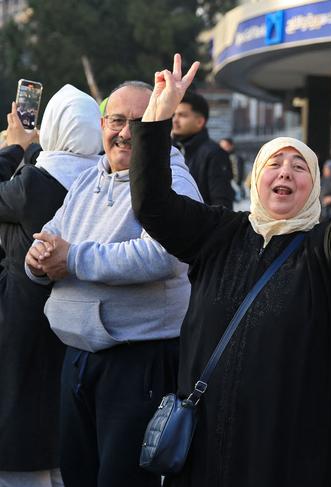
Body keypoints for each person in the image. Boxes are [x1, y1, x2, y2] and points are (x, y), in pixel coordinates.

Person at [128, 54, 331, 487]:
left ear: (313, 185)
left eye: (299, 167)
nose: (285, 173)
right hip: (202, 448)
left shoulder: (323, 251)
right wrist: (157, 122)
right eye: (274, 165)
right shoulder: (219, 232)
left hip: (283, 452)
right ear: (256, 178)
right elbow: (152, 204)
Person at [24, 81, 203, 487]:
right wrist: (37, 261)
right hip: (77, 357)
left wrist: (72, 258)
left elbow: (162, 255)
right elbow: (48, 240)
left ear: (159, 127)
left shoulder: (172, 179)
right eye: (117, 120)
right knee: (78, 476)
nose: (124, 132)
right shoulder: (89, 179)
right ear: (101, 124)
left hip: (136, 362)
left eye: (139, 124)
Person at [0, 85, 101, 487]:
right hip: (77, 315)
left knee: (18, 414)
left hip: (20, 315)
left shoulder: (34, 183)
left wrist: (15, 146)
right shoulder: (101, 179)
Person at [172, 91, 234, 208]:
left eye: (182, 115)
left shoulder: (214, 154)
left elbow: (222, 204)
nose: (175, 120)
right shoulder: (172, 150)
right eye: (174, 115)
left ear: (200, 121)